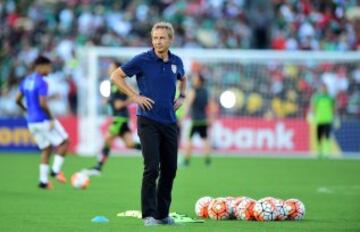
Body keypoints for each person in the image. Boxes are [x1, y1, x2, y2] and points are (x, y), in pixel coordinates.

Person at [110, 22, 187, 226]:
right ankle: (149, 215)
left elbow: (183, 78)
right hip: (148, 121)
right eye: (155, 38)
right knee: (152, 168)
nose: (157, 41)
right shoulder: (142, 59)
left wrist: (183, 97)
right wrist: (135, 97)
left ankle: (162, 214)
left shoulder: (176, 61)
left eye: (162, 38)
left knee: (170, 169)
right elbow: (115, 76)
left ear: (170, 40)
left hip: (170, 121)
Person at [15, 56, 69, 189]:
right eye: (48, 67)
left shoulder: (26, 81)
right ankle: (55, 170)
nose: (49, 70)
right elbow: (43, 103)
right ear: (40, 66)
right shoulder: (42, 82)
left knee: (46, 149)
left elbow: (17, 100)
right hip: (43, 120)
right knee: (64, 142)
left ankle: (43, 181)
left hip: (32, 122)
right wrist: (51, 118)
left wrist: (26, 111)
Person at [83, 61, 141, 176]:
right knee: (129, 144)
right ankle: (155, 151)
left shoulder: (121, 83)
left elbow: (135, 96)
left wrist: (124, 103)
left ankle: (98, 167)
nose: (109, 69)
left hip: (121, 117)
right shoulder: (111, 84)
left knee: (107, 139)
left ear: (118, 69)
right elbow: (111, 100)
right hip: (118, 117)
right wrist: (108, 101)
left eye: (112, 67)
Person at [183, 73, 213, 166]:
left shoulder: (193, 91)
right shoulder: (206, 91)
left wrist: (183, 117)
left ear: (199, 81)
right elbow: (211, 105)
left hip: (195, 120)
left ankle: (186, 161)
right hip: (203, 119)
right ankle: (208, 161)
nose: (193, 80)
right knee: (205, 139)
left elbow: (189, 104)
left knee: (189, 140)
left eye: (195, 78)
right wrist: (211, 118)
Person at [310, 83, 336, 158]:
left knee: (327, 136)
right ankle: (319, 152)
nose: (324, 89)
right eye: (323, 88)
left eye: (325, 88)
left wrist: (334, 116)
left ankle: (327, 152)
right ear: (321, 89)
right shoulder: (317, 97)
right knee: (319, 136)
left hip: (328, 120)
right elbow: (314, 107)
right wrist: (312, 114)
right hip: (319, 120)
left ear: (327, 89)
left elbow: (333, 108)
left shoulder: (331, 97)